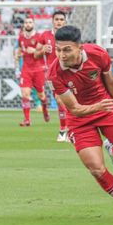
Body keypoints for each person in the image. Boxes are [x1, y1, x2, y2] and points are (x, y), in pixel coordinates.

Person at [47, 25, 113, 221]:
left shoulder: (98, 54)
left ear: (80, 48)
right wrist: (98, 107)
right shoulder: (54, 74)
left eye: (67, 49)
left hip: (107, 108)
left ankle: (112, 147)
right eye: (58, 49)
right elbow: (75, 109)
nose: (61, 55)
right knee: (96, 168)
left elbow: (110, 80)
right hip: (80, 119)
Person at [41, 11, 70, 142]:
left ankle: (68, 130)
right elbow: (36, 53)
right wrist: (41, 50)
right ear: (52, 21)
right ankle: (64, 130)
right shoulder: (45, 35)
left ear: (65, 22)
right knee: (59, 101)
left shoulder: (69, 36)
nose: (59, 22)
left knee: (70, 102)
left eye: (61, 19)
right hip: (52, 75)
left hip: (68, 72)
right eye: (56, 19)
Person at [14, 17, 50, 126]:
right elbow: (19, 51)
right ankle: (27, 119)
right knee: (25, 94)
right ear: (24, 25)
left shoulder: (39, 36)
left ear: (33, 24)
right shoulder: (21, 37)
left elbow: (46, 50)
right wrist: (17, 61)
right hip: (26, 69)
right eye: (26, 22)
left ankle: (45, 109)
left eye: (30, 22)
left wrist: (34, 50)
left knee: (41, 96)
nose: (28, 24)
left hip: (38, 69)